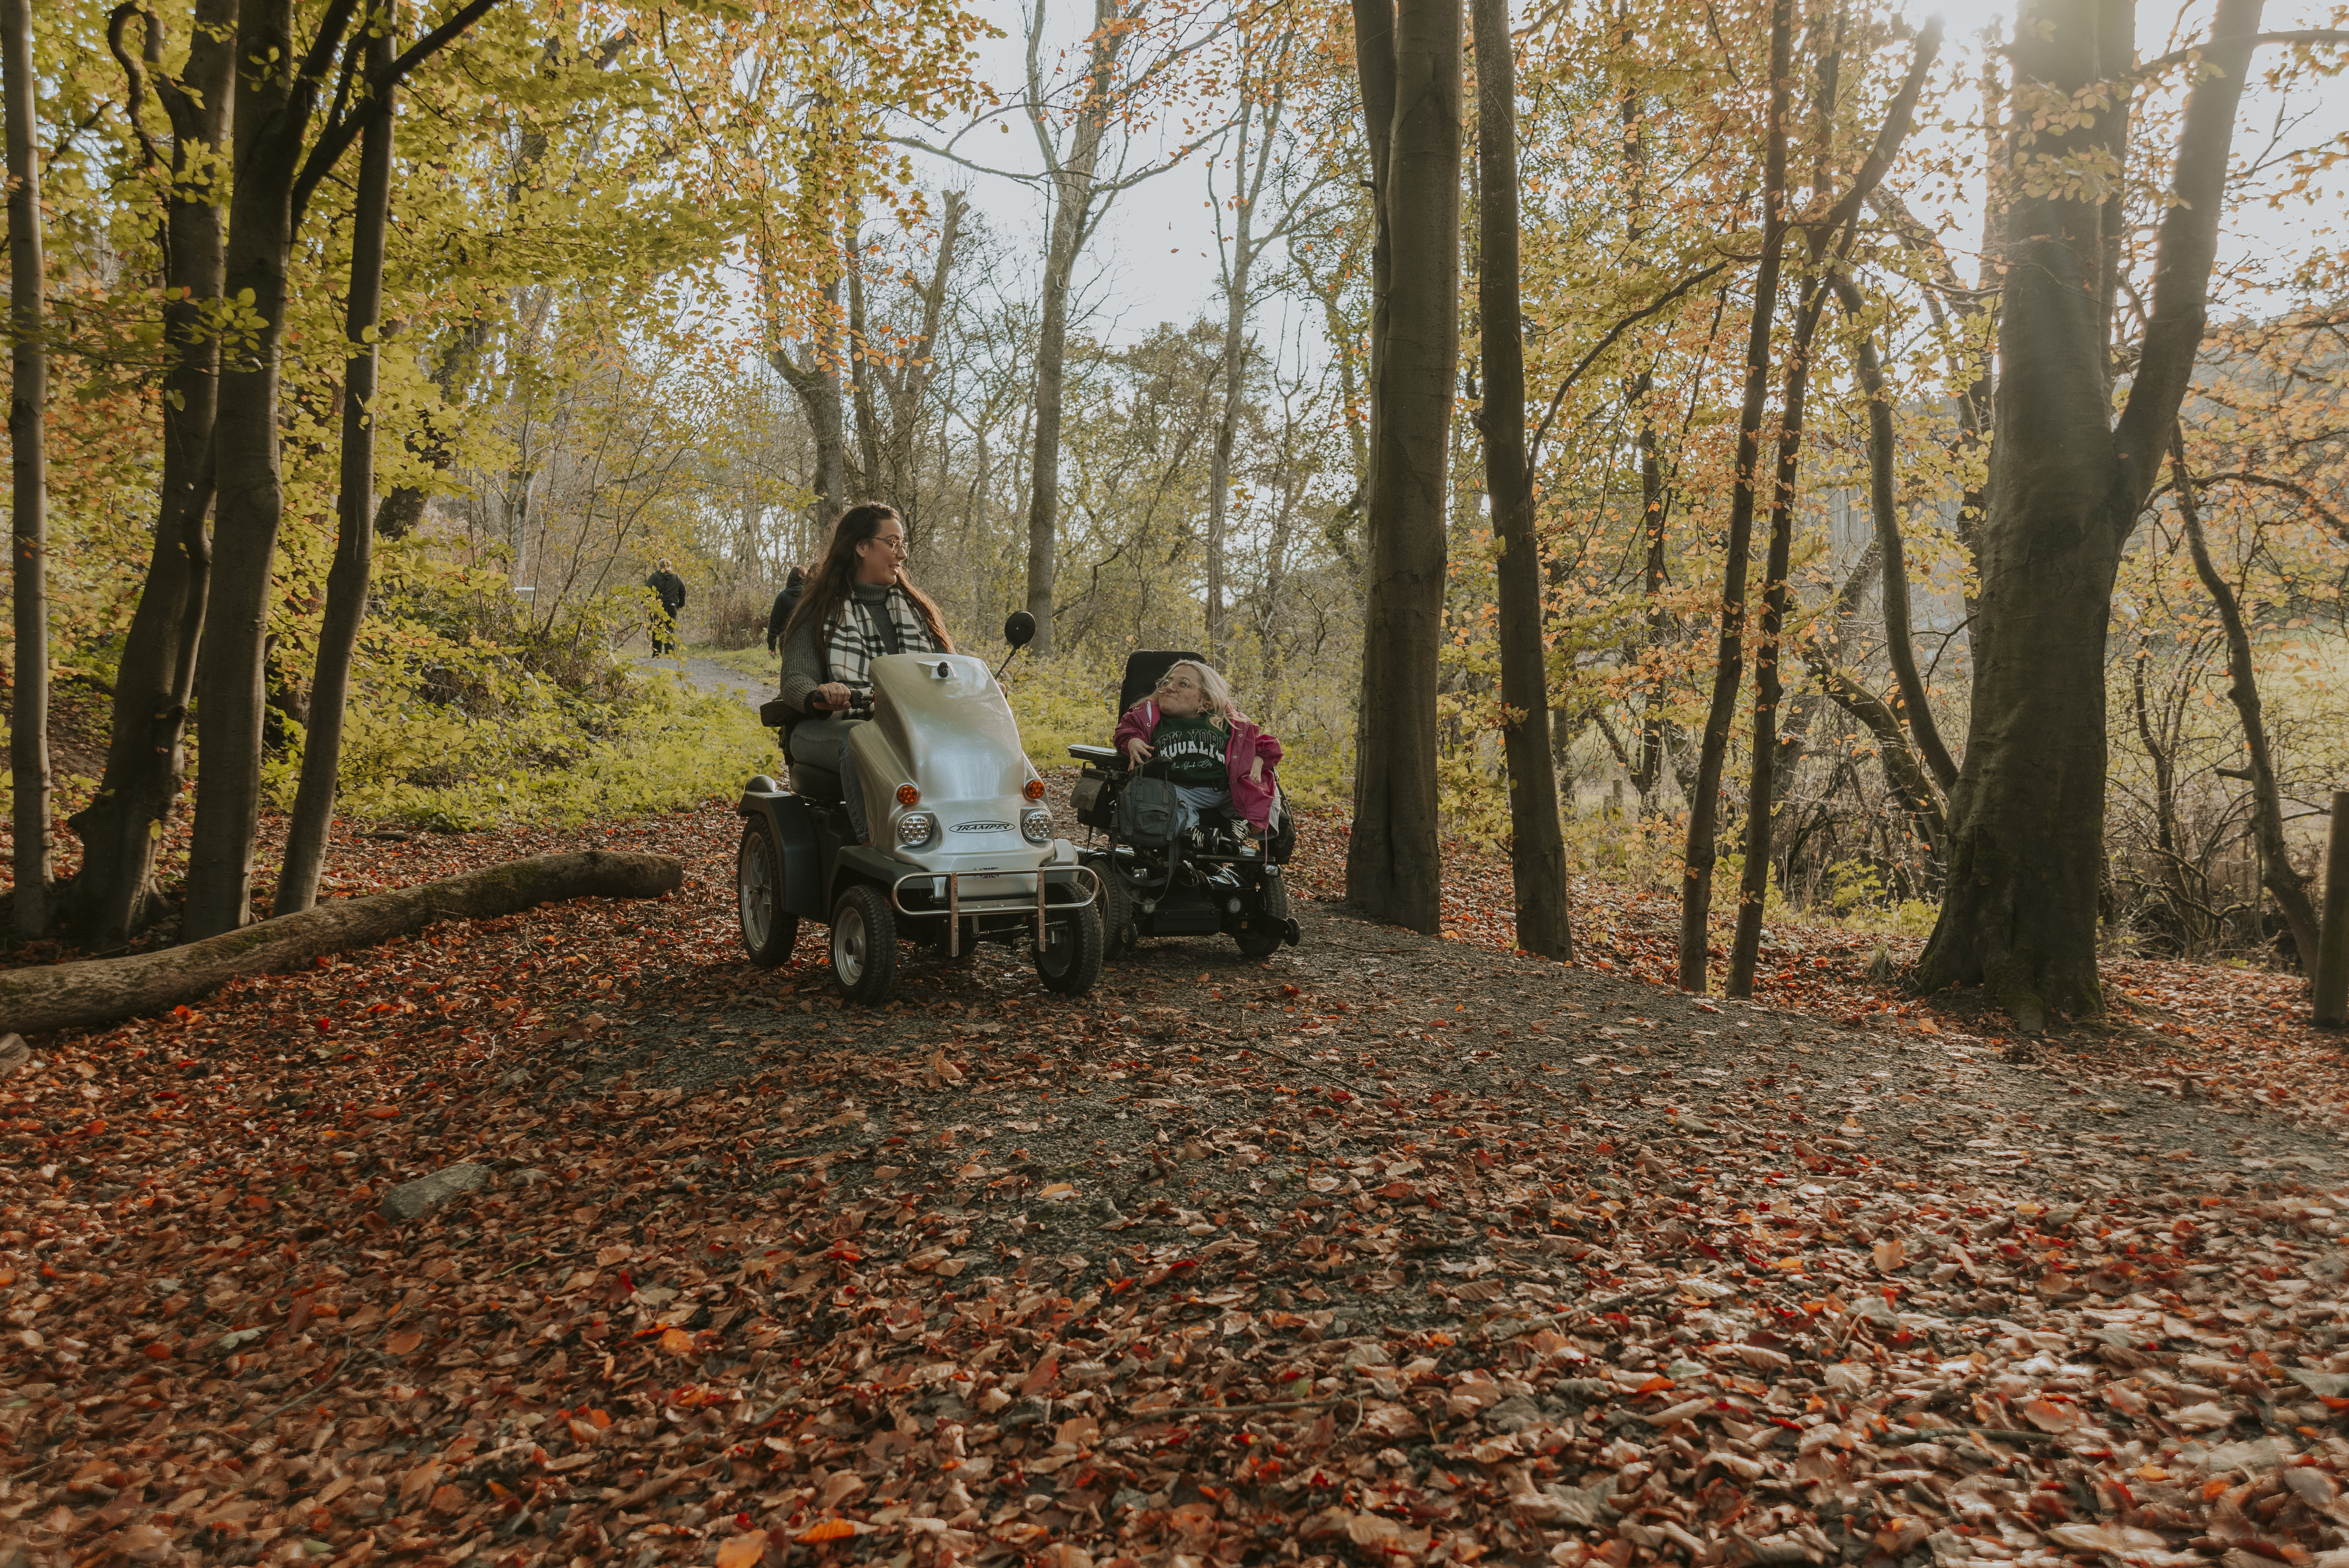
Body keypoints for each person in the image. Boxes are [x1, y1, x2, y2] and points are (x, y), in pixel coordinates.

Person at [777, 504, 952, 845]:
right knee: (861, 739)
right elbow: (795, 679)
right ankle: (874, 845)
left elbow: (949, 668)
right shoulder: (818, 609)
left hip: (906, 726)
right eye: (893, 543)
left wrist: (979, 686)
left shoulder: (918, 610)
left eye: (903, 544)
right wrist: (821, 694)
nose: (902, 554)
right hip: (827, 727)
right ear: (861, 546)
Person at [1113, 659, 1283, 854]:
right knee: (1165, 805)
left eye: (1183, 684)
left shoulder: (1228, 722)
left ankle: (1241, 827)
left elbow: (1264, 743)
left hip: (1228, 790)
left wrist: (1259, 758)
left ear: (1205, 702)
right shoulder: (1150, 716)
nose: (1170, 687)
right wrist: (1133, 741)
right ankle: (1196, 835)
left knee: (1269, 793)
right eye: (1167, 682)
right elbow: (1126, 731)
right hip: (1179, 790)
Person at [645, 559, 687, 655]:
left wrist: (644, 603)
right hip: (671, 606)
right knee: (670, 629)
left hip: (656, 607)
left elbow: (648, 590)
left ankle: (657, 654)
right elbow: (683, 591)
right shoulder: (676, 577)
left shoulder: (654, 576)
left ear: (659, 566)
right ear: (670, 567)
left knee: (657, 630)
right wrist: (680, 604)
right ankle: (670, 653)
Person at [765, 564, 807, 654]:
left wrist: (772, 645)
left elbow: (775, 623)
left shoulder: (782, 597)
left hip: (786, 642)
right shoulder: (809, 597)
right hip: (806, 642)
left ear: (790, 579)